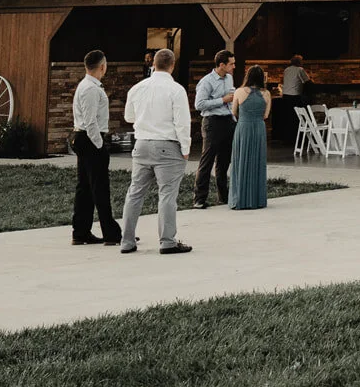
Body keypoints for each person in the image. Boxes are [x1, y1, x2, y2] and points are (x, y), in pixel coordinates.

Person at [119, 48, 193, 255]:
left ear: (153, 64)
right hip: (167, 145)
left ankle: (126, 240)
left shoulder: (137, 88)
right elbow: (182, 122)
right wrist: (185, 148)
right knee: (167, 194)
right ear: (172, 64)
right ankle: (167, 241)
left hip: (142, 144)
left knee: (135, 193)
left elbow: (129, 117)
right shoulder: (176, 90)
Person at [70, 50, 121, 245]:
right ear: (102, 66)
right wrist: (100, 146)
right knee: (100, 187)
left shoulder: (85, 86)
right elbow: (90, 122)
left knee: (85, 186)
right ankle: (111, 233)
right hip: (91, 138)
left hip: (83, 138)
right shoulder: (91, 89)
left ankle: (81, 231)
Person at [193, 49, 237, 209]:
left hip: (228, 120)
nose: (234, 66)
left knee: (224, 161)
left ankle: (223, 196)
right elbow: (199, 104)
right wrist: (221, 100)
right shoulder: (206, 82)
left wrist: (233, 115)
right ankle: (199, 198)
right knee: (208, 159)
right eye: (231, 64)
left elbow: (230, 99)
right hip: (212, 122)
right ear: (221, 64)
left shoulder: (229, 78)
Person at [228, 65, 270, 210]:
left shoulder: (239, 91)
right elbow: (266, 115)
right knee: (257, 160)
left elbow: (233, 111)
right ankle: (257, 199)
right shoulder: (267, 94)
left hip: (243, 127)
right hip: (259, 128)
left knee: (241, 160)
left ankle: (240, 198)